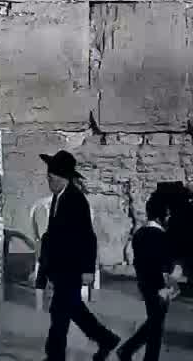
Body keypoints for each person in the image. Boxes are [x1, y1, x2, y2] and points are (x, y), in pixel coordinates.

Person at [37, 150, 120, 361]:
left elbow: (88, 237)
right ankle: (106, 339)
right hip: (60, 267)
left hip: (72, 267)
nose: (48, 181)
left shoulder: (76, 200)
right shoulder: (58, 197)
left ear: (62, 177)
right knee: (73, 310)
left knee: (60, 314)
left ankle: (54, 356)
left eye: (51, 178)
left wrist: (88, 270)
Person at [118, 190, 175, 361]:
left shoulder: (140, 234)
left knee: (154, 323)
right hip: (158, 286)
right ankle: (133, 352)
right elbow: (160, 265)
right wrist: (163, 287)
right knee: (156, 326)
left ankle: (128, 350)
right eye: (167, 215)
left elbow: (141, 262)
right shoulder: (160, 237)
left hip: (145, 284)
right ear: (161, 216)